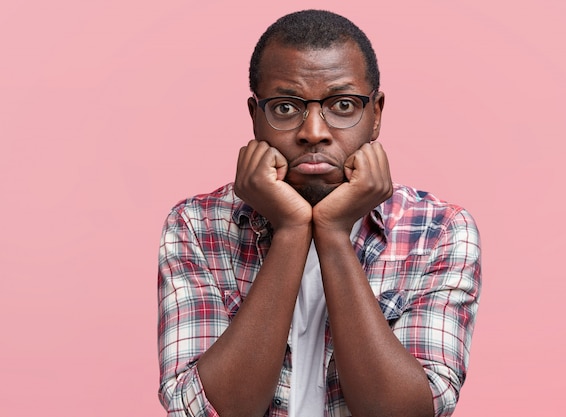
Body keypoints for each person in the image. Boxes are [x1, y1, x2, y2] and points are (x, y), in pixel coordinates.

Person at [157, 9, 481, 417]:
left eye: (343, 105)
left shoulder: (438, 231)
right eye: (287, 108)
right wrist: (292, 230)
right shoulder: (196, 225)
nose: (313, 131)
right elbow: (202, 412)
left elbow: (407, 412)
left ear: (376, 113)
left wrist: (333, 232)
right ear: (255, 116)